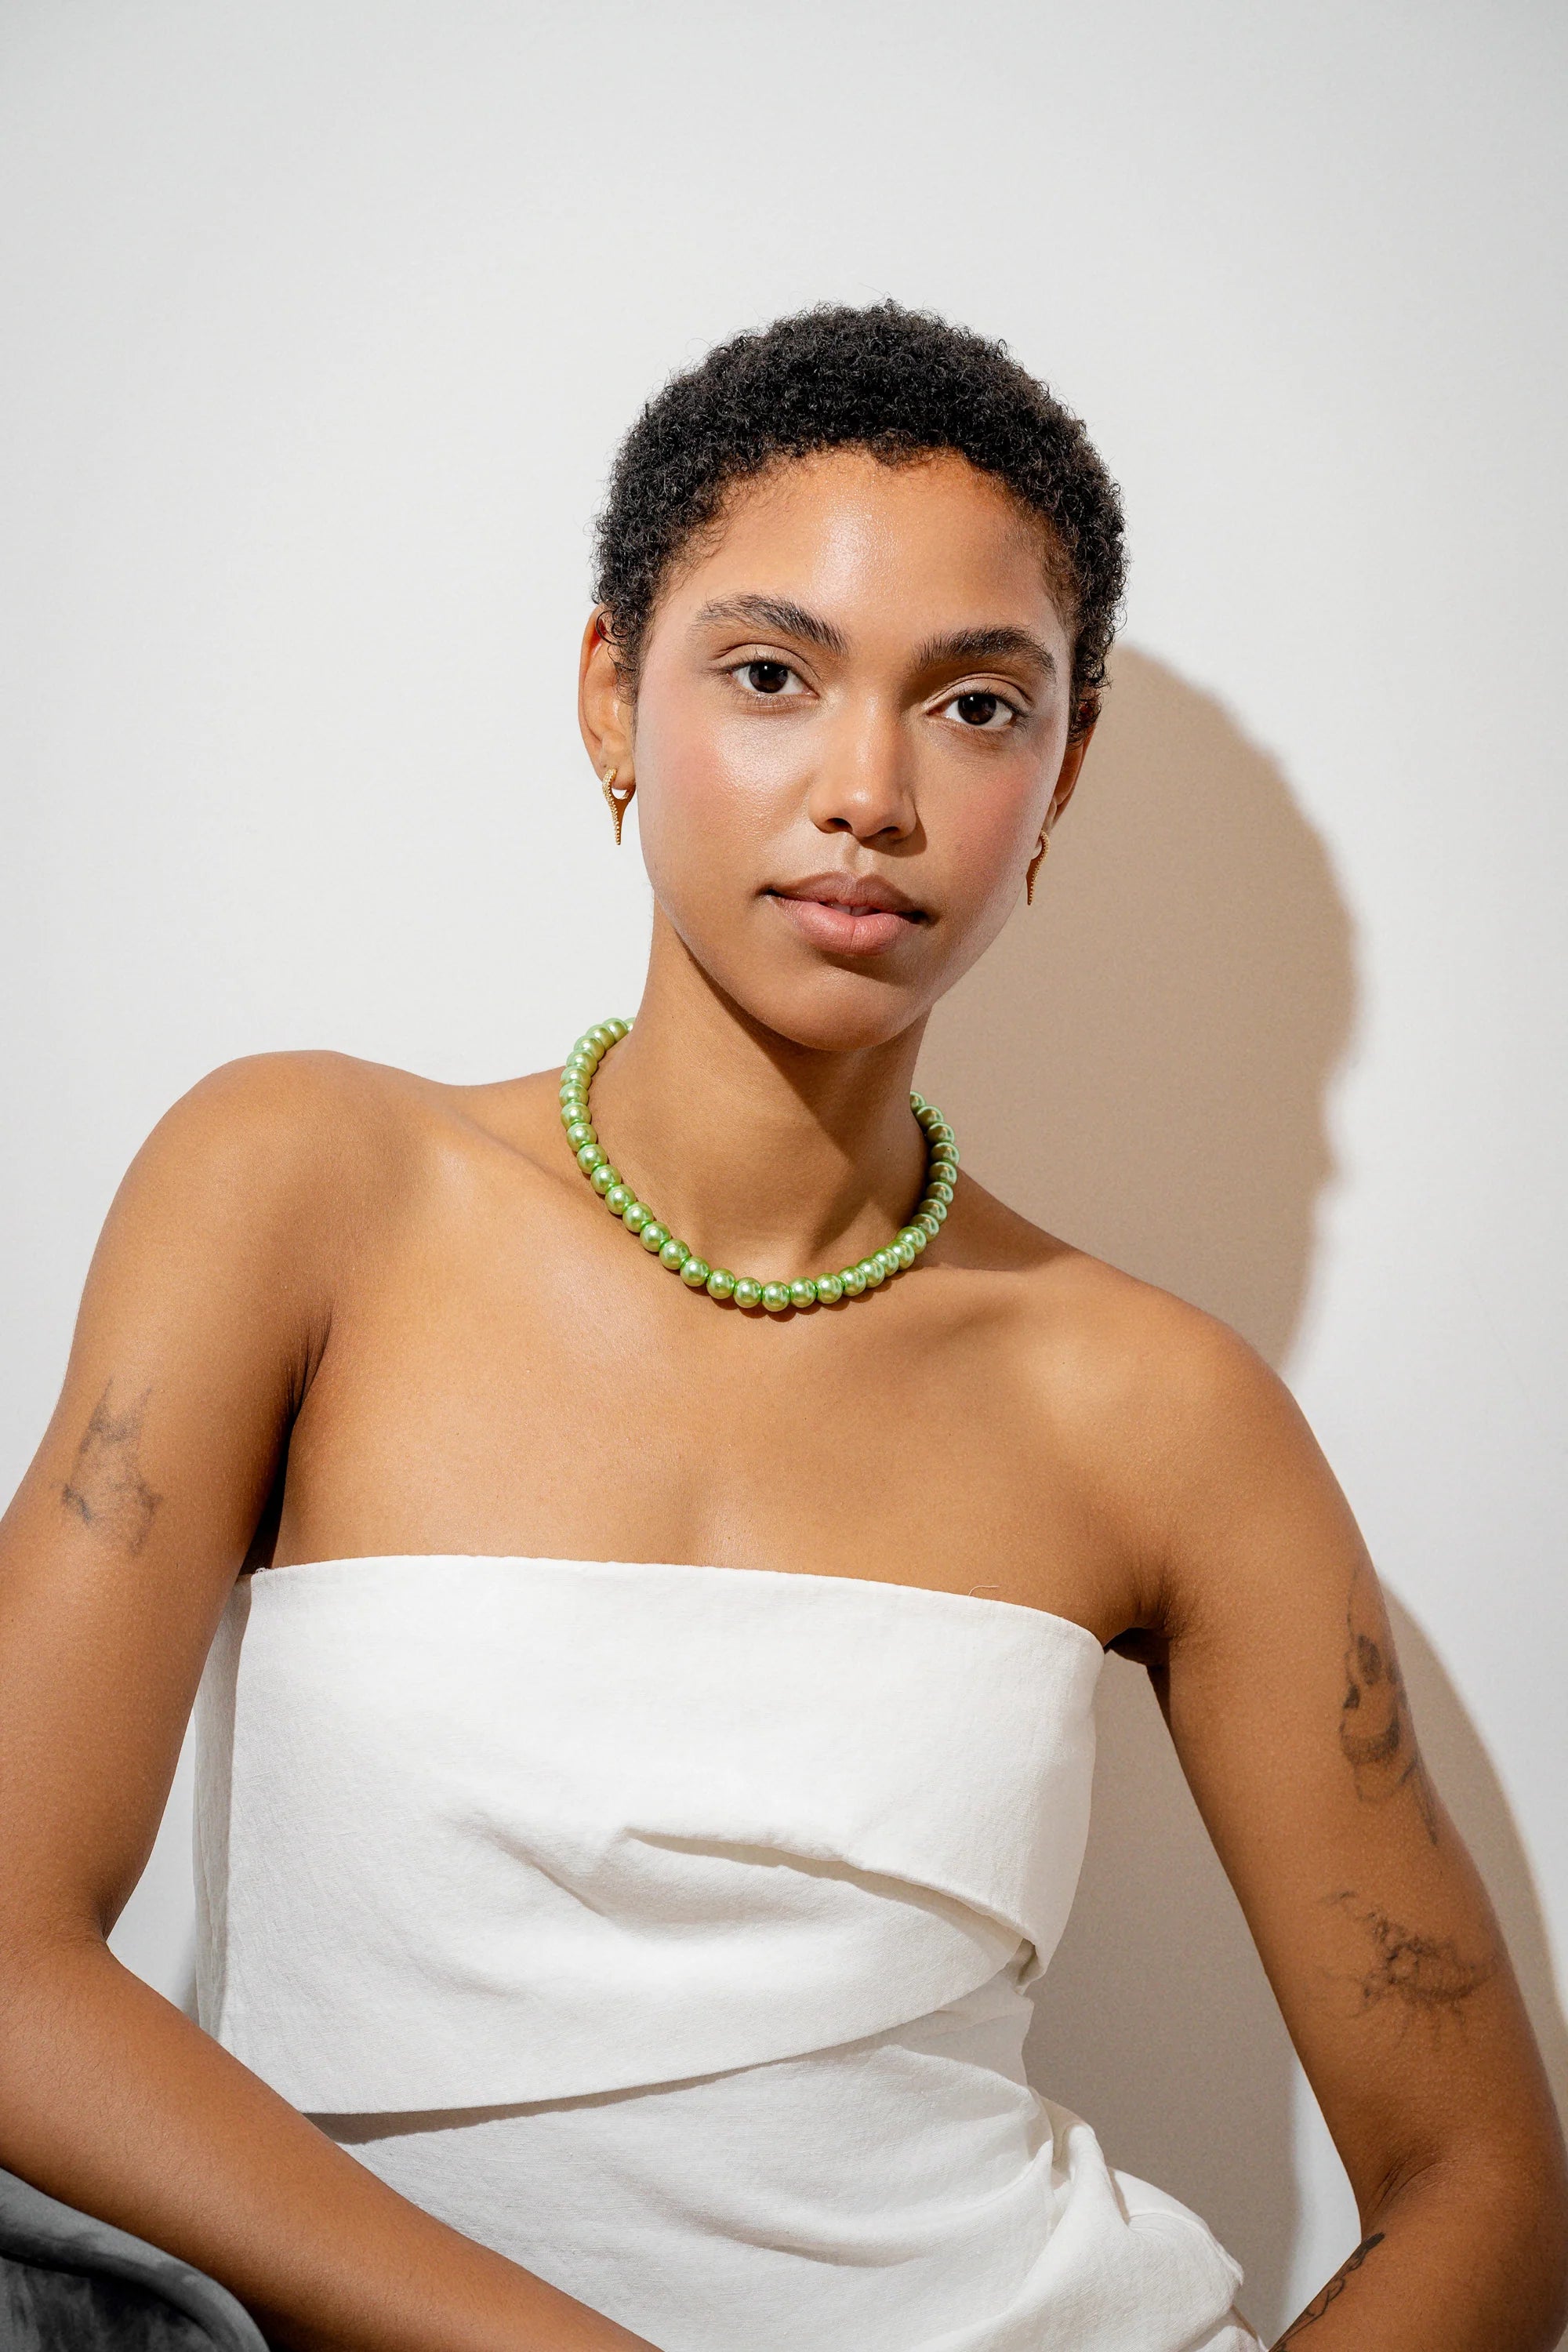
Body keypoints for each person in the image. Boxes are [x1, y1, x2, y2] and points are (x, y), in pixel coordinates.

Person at [0, 300, 1563, 2352]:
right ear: (611, 696)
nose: (868, 791)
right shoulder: (302, 1185)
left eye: (978, 706)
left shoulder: (1160, 1410)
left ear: (1063, 774)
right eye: (769, 674)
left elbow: (1490, 2191)